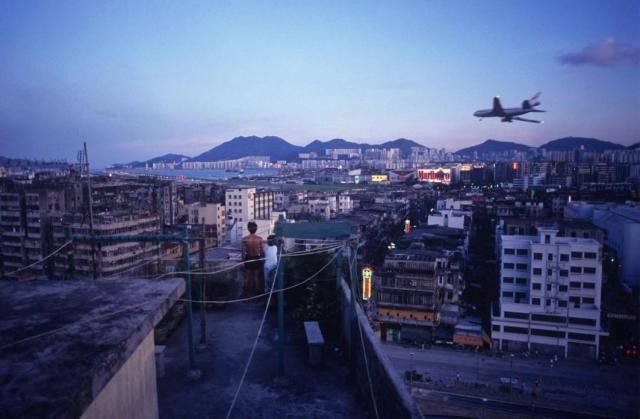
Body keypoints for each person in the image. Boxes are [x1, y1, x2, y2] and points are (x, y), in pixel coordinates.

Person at [241, 222, 264, 299]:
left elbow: (243, 252)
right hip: (256, 259)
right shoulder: (260, 239)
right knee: (256, 278)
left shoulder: (245, 239)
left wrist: (243, 262)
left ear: (248, 229)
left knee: (246, 278)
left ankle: (245, 297)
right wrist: (260, 260)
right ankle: (256, 298)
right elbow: (261, 252)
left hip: (248, 258)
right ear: (256, 229)